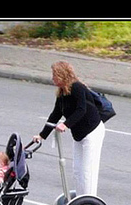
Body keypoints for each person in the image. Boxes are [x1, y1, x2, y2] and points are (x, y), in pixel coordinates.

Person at [33, 61, 105, 197]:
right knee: (77, 170)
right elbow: (55, 114)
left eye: (54, 75)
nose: (52, 78)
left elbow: (81, 109)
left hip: (92, 132)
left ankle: (89, 200)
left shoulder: (77, 87)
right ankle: (80, 199)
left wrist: (66, 125)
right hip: (79, 134)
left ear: (62, 75)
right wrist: (42, 135)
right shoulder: (62, 93)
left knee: (88, 171)